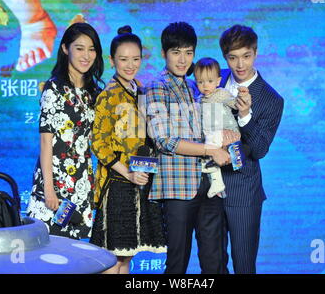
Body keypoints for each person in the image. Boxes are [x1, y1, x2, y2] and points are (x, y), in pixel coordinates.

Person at [146, 22, 231, 274]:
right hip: (177, 187)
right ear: (164, 54)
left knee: (215, 261)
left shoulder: (197, 87)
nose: (183, 60)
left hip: (210, 184)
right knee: (177, 264)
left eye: (188, 52)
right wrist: (209, 149)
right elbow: (164, 140)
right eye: (176, 52)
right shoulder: (156, 86)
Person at [90, 26, 166, 274]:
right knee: (112, 257)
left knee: (127, 256)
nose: (130, 65)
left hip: (140, 180)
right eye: (123, 59)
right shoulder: (108, 96)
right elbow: (99, 145)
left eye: (135, 59)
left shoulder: (141, 91)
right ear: (111, 60)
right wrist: (129, 174)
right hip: (117, 183)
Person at [26, 22, 104, 239]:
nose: (86, 55)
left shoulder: (94, 92)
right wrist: (49, 190)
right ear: (65, 49)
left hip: (81, 183)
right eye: (79, 48)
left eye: (92, 49)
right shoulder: (54, 88)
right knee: (48, 253)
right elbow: (45, 142)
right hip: (55, 183)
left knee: (76, 255)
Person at [218, 24, 284, 274]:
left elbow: (259, 150)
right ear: (226, 57)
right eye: (233, 57)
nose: (240, 64)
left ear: (255, 53)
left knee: (244, 266)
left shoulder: (271, 99)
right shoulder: (215, 78)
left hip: (243, 192)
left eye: (246, 56)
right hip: (208, 189)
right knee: (212, 263)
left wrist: (245, 115)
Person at [194, 57, 241, 198]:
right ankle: (217, 183)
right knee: (210, 152)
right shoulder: (199, 99)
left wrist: (242, 98)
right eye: (200, 82)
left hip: (227, 133)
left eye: (209, 81)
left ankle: (210, 169)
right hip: (212, 136)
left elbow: (236, 104)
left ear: (218, 81)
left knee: (210, 148)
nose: (205, 86)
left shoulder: (221, 94)